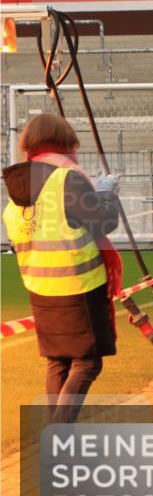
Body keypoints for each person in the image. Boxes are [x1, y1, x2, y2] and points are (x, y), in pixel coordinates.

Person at [1, 114, 121, 423]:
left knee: (57, 363)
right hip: (78, 287)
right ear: (65, 142)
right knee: (87, 363)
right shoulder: (65, 179)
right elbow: (103, 221)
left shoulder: (16, 196)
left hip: (41, 291)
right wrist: (106, 192)